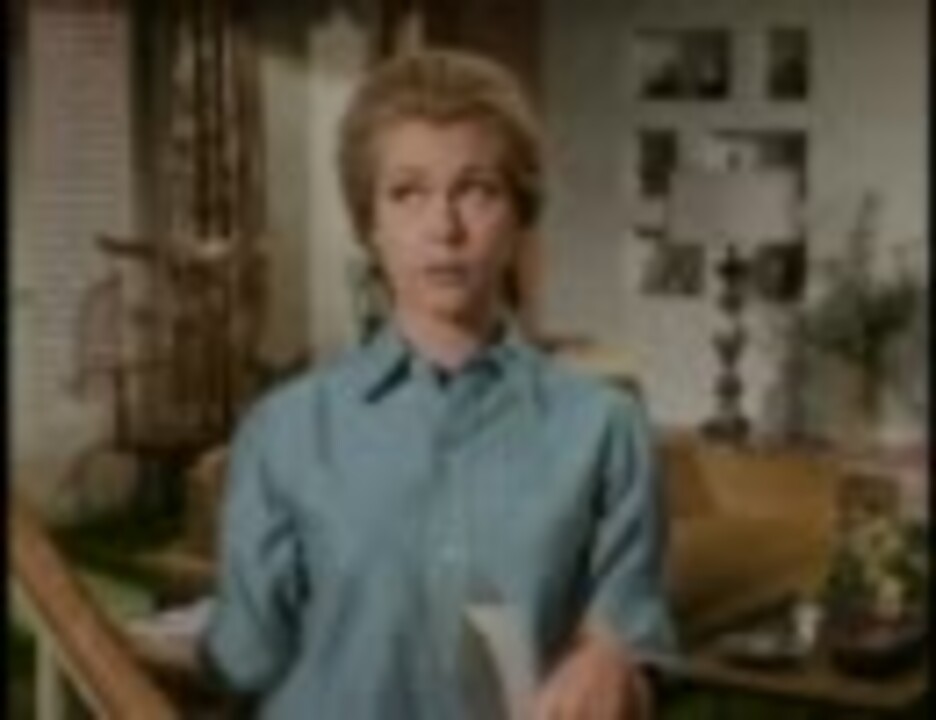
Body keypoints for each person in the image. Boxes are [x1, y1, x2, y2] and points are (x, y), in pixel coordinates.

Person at [203, 48, 674, 719]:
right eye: (408, 193)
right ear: (369, 223)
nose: (444, 229)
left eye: (477, 190)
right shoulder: (285, 429)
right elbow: (244, 657)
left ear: (520, 216)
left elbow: (634, 640)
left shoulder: (604, 428)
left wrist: (617, 664)